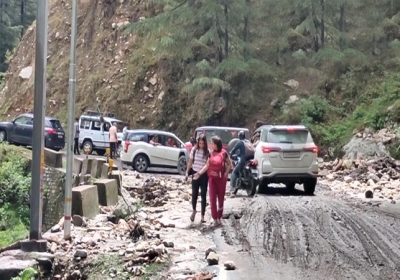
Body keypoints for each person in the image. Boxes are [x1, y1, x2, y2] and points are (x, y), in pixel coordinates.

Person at [194, 136, 232, 226]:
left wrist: (226, 174)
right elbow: (207, 166)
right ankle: (214, 218)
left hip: (221, 180)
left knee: (221, 199)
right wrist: (199, 173)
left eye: (212, 143)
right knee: (212, 199)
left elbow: (230, 164)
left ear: (216, 144)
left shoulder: (224, 153)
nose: (211, 145)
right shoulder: (211, 153)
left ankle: (219, 217)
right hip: (212, 179)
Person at [185, 134, 209, 223]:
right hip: (195, 174)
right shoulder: (194, 150)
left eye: (203, 143)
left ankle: (203, 215)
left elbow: (207, 164)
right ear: (198, 142)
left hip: (203, 175)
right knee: (194, 194)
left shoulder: (207, 152)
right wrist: (187, 172)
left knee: (203, 195)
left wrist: (200, 173)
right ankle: (194, 210)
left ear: (205, 143)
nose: (201, 145)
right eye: (200, 143)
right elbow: (190, 161)